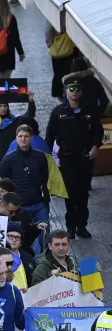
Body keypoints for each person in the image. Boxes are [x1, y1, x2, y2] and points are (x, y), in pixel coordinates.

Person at [45, 75, 102, 240]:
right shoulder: (58, 112)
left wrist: (95, 146)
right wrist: (47, 159)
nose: (75, 92)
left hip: (85, 158)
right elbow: (50, 136)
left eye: (78, 89)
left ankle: (82, 225)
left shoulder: (89, 110)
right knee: (70, 193)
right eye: (72, 89)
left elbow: (98, 131)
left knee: (83, 192)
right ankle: (70, 226)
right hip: (67, 159)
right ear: (66, 91)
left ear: (81, 92)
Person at [0, 124, 50, 226]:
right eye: (20, 136)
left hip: (39, 204)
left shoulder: (40, 156)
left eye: (26, 136)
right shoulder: (8, 159)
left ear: (31, 138)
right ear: (16, 137)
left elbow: (44, 177)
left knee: (44, 237)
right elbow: (5, 183)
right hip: (19, 207)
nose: (23, 139)